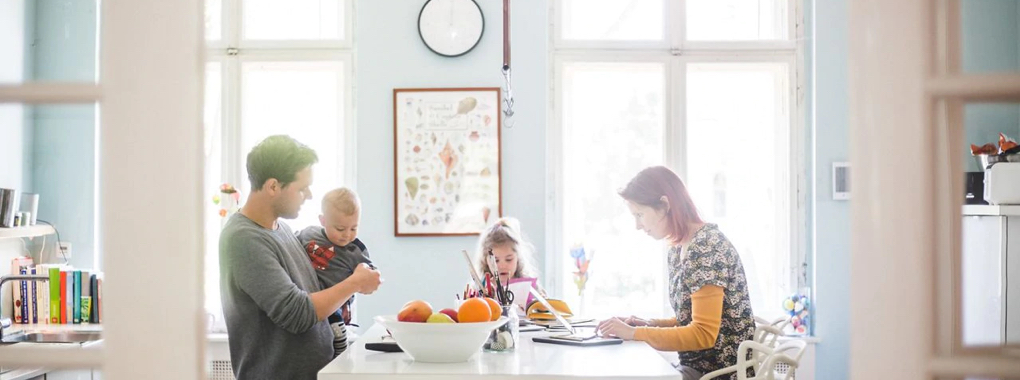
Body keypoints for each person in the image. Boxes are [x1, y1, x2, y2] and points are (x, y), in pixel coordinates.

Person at [219, 135, 381, 380]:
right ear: (273, 186)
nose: (309, 195)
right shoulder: (243, 239)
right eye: (302, 187)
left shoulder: (281, 229)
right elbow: (297, 314)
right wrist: (355, 283)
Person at [597, 166, 754, 380]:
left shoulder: (706, 247)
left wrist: (634, 334)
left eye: (640, 214)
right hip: (696, 369)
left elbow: (703, 334)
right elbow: (688, 319)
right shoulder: (679, 247)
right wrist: (648, 324)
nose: (637, 225)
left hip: (718, 375)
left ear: (665, 205)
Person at [296, 187, 374, 358]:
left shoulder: (355, 250)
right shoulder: (309, 234)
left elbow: (369, 274)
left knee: (336, 329)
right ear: (323, 220)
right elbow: (290, 246)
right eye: (340, 229)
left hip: (337, 303)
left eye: (353, 228)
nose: (347, 235)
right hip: (311, 297)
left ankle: (341, 355)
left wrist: (370, 278)